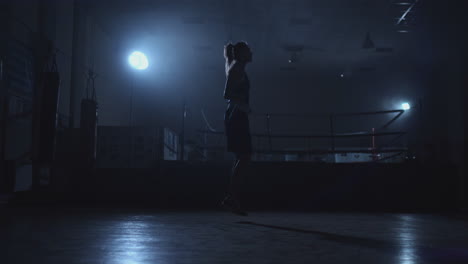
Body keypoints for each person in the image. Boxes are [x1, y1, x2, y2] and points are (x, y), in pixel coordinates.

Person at [221, 41, 253, 216]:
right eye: (248, 51)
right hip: (237, 116)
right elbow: (226, 94)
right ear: (242, 54)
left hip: (236, 116)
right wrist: (244, 106)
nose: (252, 53)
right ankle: (231, 198)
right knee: (245, 157)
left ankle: (232, 198)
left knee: (242, 158)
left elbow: (227, 62)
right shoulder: (237, 69)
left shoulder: (234, 65)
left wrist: (227, 54)